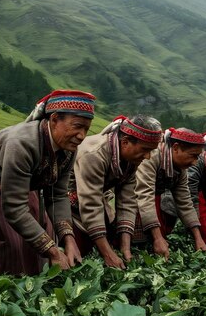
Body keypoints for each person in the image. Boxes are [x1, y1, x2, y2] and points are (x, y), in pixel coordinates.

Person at [0, 90, 95, 276]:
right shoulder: (21, 144)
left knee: (44, 231)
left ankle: (36, 282)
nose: (82, 136)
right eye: (77, 126)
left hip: (23, 182)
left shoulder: (69, 149)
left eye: (86, 129)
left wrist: (68, 239)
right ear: (54, 119)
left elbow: (58, 195)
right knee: (10, 242)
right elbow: (14, 208)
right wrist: (52, 251)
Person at [69, 115, 161, 269]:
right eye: (145, 150)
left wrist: (125, 248)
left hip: (95, 201)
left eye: (151, 151)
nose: (147, 156)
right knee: (79, 256)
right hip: (68, 202)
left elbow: (127, 201)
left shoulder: (131, 160)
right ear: (125, 142)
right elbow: (90, 204)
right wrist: (108, 254)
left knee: (111, 240)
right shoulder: (95, 155)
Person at [134, 128, 206, 258]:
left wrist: (198, 238)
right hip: (134, 197)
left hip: (150, 197)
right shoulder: (153, 156)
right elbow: (144, 195)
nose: (195, 162)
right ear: (175, 148)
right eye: (193, 156)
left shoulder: (181, 170)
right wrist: (158, 238)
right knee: (138, 243)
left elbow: (184, 201)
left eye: (198, 157)